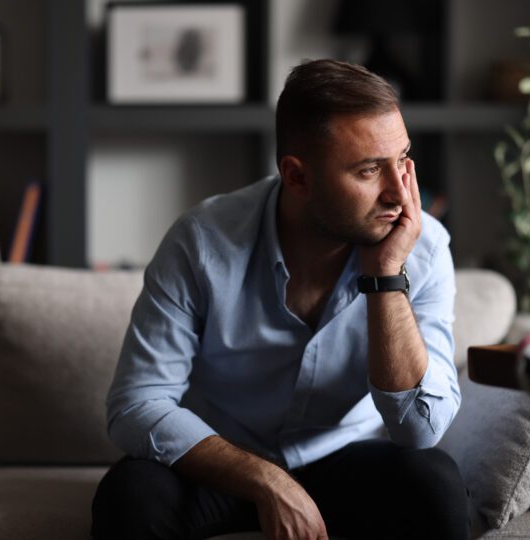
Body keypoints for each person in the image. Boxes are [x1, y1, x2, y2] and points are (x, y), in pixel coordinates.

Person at [92, 59, 468, 540]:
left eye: (403, 161)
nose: (399, 192)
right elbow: (135, 404)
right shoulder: (202, 243)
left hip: (347, 459)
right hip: (226, 461)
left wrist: (385, 277)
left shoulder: (425, 247)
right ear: (296, 177)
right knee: (130, 496)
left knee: (434, 485)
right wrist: (265, 481)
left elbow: (419, 431)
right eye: (369, 170)